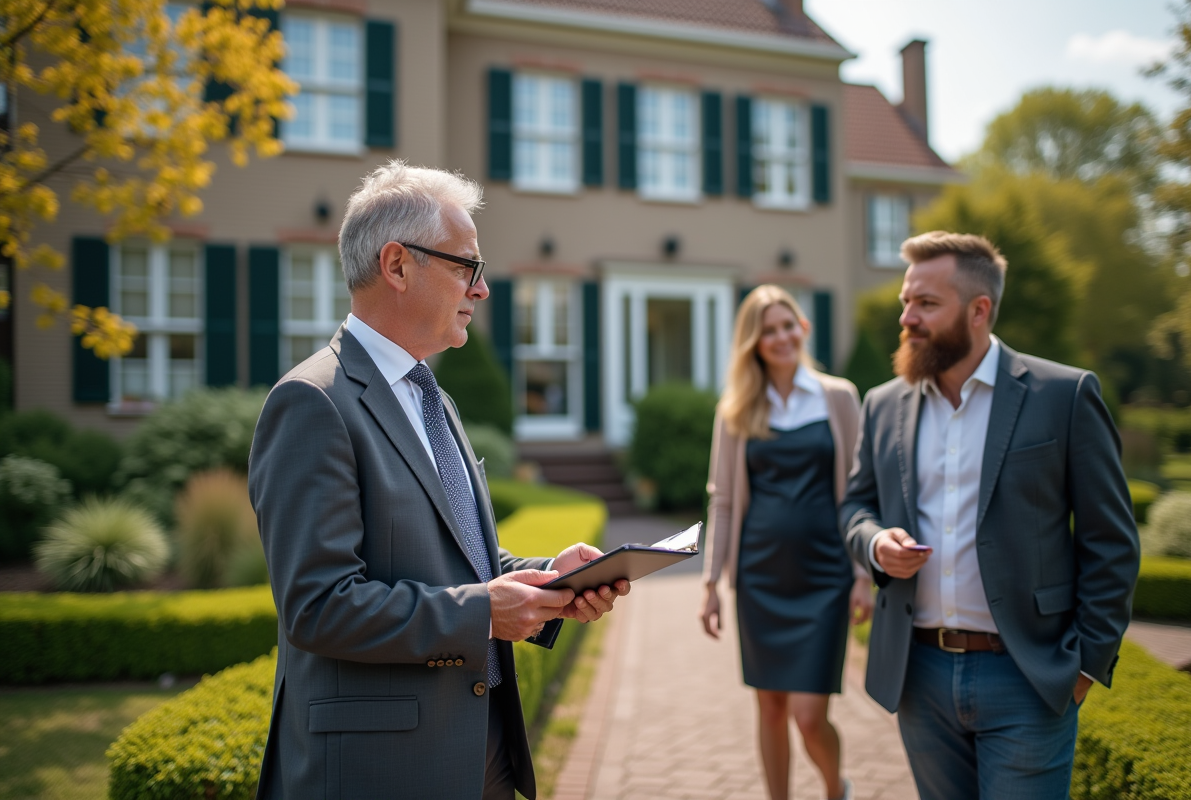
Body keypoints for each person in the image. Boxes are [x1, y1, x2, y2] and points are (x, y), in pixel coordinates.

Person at [248, 161, 630, 800]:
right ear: (397, 266)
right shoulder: (311, 403)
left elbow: (460, 558)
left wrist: (551, 579)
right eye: (466, 266)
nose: (482, 289)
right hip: (383, 772)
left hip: (482, 752)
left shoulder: (431, 396)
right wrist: (483, 612)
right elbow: (318, 607)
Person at [840, 232, 1139, 800]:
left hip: (1028, 675)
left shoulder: (1065, 395)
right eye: (906, 301)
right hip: (919, 674)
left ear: (979, 311)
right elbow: (855, 506)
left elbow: (1111, 541)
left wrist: (1084, 667)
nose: (907, 318)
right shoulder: (882, 404)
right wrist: (875, 543)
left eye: (926, 303)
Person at [700, 285, 873, 800]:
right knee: (771, 708)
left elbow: (862, 491)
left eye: (787, 325)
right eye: (767, 330)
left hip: (825, 576)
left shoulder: (838, 397)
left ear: (804, 327)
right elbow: (723, 500)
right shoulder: (736, 409)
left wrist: (862, 574)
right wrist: (711, 584)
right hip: (760, 578)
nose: (780, 337)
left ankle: (835, 789)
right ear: (752, 343)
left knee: (808, 715)